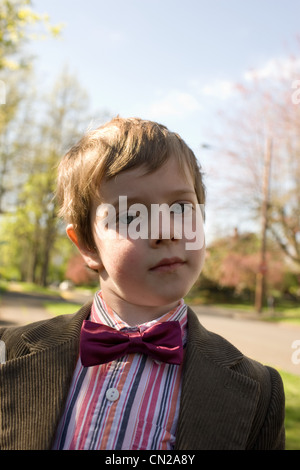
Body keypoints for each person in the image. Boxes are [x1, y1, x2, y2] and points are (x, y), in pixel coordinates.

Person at [0, 117, 285, 450]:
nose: (166, 231)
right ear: (88, 246)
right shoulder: (11, 351)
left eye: (181, 207)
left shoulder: (259, 390)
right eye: (132, 215)